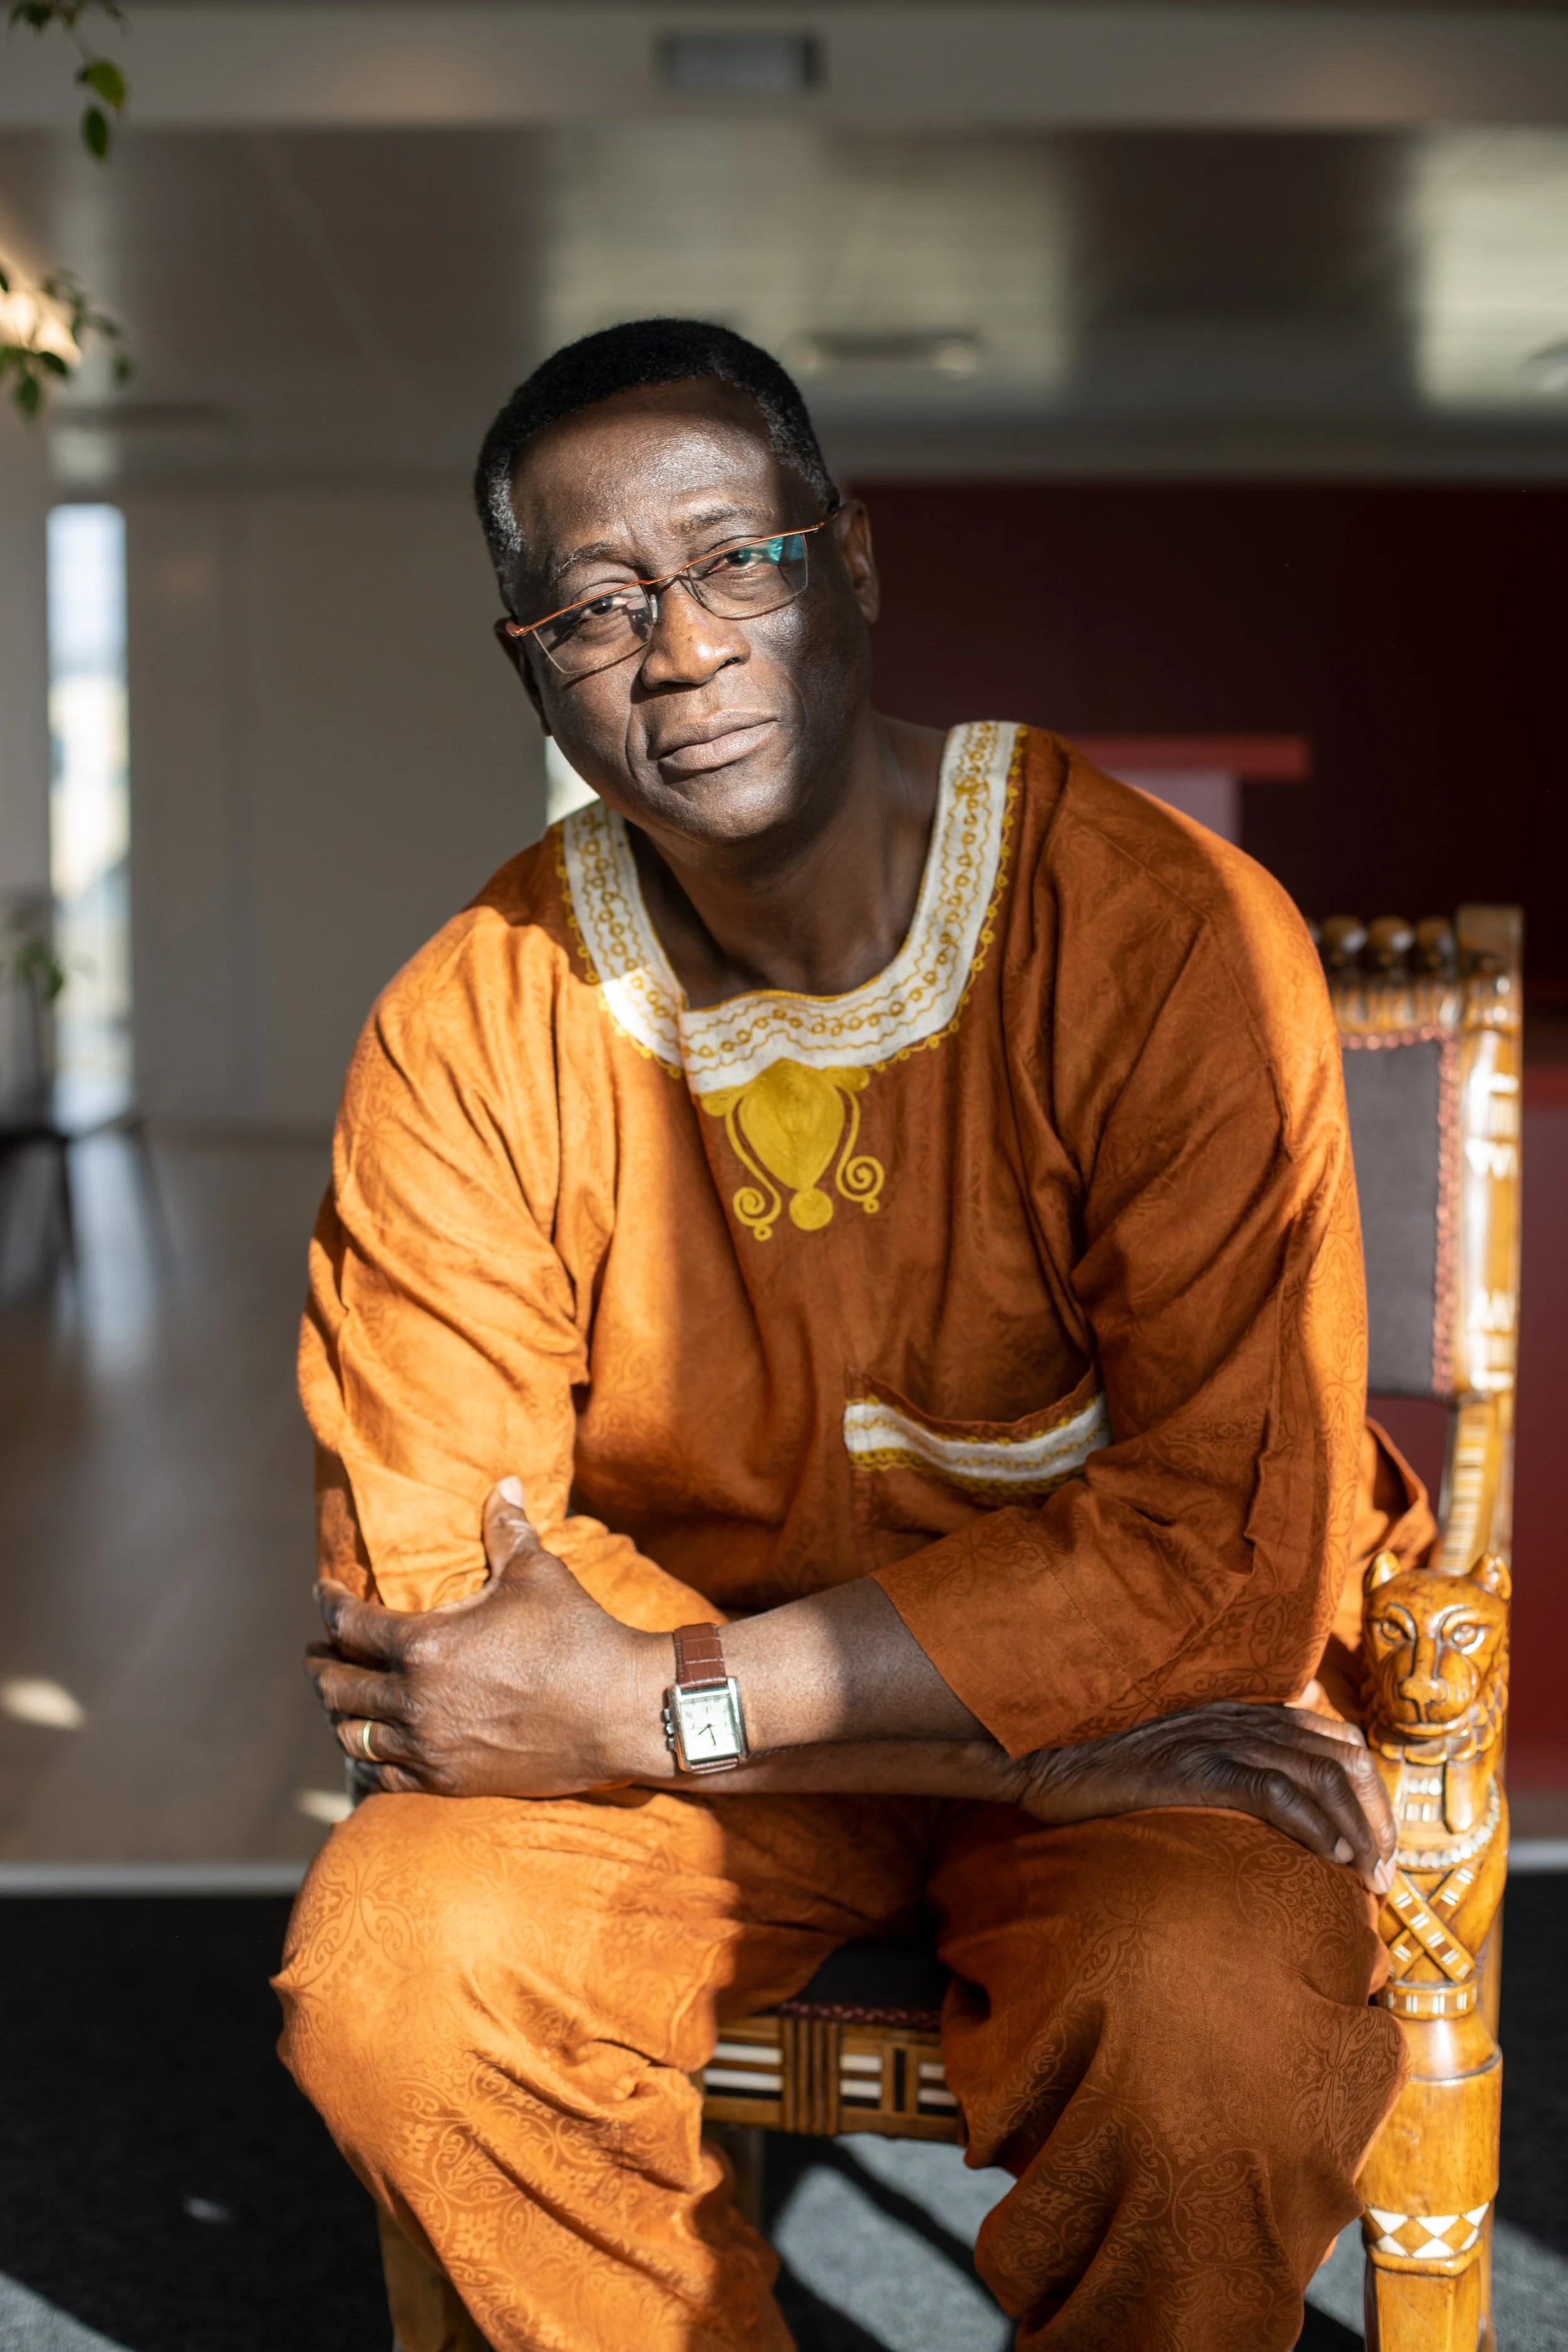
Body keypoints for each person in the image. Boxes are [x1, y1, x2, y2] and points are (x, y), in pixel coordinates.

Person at [276, 319, 1428, 2352]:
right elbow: (453, 1627)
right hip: (900, 1739)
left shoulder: (1155, 929)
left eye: (738, 560)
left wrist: (654, 1704)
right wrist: (977, 1748)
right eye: (596, 603)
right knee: (405, 1969)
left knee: (1213, 2023)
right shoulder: (468, 1019)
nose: (684, 648)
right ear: (529, 662)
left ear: (853, 559)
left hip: (1130, 1743)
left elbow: (1224, 1551)